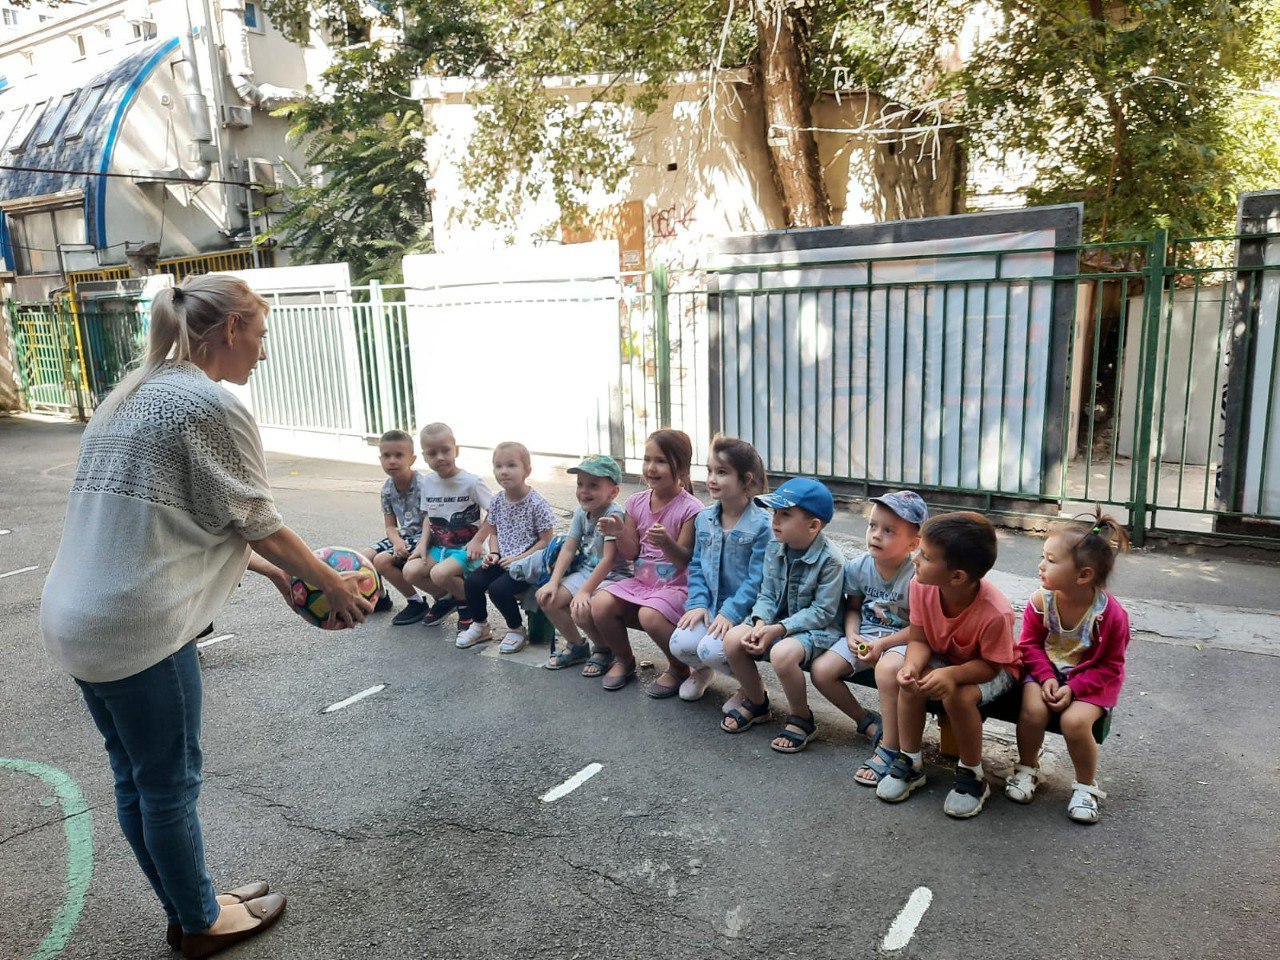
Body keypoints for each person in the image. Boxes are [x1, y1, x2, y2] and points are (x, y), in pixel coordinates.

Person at [40, 275, 372, 959]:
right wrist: (331, 585)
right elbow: (258, 519)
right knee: (167, 785)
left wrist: (280, 576)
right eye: (262, 333)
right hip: (139, 630)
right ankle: (199, 924)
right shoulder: (205, 404)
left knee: (135, 778)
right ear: (229, 330)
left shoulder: (130, 394)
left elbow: (185, 521)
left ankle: (189, 905)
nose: (264, 352)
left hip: (79, 620)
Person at [875, 511, 1020, 819]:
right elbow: (919, 638)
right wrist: (912, 666)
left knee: (959, 696)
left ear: (957, 576)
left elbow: (992, 666)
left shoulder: (995, 613)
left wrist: (952, 674)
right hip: (947, 658)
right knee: (911, 684)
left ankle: (972, 775)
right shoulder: (921, 585)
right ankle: (910, 761)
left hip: (994, 667)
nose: (915, 558)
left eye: (925, 556)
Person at [1007, 509, 1131, 824]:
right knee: (1033, 712)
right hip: (1045, 669)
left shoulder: (1112, 616)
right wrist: (1047, 677)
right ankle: (1027, 768)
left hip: (1090, 680)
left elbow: (1111, 666)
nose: (1041, 565)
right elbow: (1029, 646)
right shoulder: (1041, 601)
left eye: (1051, 560)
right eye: (1042, 556)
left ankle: (1086, 786)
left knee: (1074, 723)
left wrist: (1073, 687)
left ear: (1083, 575)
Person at [810, 491, 927, 785]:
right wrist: (851, 634)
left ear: (913, 544)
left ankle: (891, 745)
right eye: (872, 526)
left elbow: (919, 627)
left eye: (889, 531)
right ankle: (865, 721)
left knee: (888, 673)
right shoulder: (859, 566)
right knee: (822, 672)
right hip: (866, 636)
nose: (876, 535)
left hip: (901, 642)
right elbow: (852, 607)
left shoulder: (916, 577)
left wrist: (883, 645)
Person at [721, 478, 845, 753]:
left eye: (785, 514)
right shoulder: (775, 547)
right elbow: (766, 594)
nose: (775, 520)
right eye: (774, 513)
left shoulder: (831, 561)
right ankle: (757, 702)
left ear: (813, 526)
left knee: (782, 654)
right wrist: (760, 623)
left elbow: (822, 612)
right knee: (733, 640)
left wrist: (777, 630)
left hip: (817, 630)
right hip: (776, 623)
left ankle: (802, 718)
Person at [589, 429, 702, 693]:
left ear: (682, 468)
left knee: (649, 616)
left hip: (676, 586)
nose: (651, 468)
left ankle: (678, 668)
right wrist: (619, 533)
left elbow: (685, 560)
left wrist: (667, 544)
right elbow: (630, 553)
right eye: (647, 459)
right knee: (601, 603)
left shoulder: (691, 509)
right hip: (643, 583)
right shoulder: (635, 502)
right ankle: (624, 659)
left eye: (661, 461)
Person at [668, 436, 770, 702]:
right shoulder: (705, 518)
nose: (712, 479)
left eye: (722, 472)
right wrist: (698, 603)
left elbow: (758, 579)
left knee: (713, 650)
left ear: (746, 479)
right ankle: (703, 673)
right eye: (710, 470)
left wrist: (731, 611)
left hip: (745, 611)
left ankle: (751, 686)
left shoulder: (762, 525)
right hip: (712, 603)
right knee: (680, 643)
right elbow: (697, 566)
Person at [535, 455, 633, 671]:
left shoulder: (613, 514)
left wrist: (584, 592)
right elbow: (569, 547)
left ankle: (603, 648)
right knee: (548, 599)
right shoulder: (581, 512)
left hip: (614, 576)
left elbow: (608, 560)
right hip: (588, 570)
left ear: (613, 492)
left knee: (582, 608)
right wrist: (553, 581)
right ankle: (577, 646)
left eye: (593, 485)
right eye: (580, 484)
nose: (584, 491)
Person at [457, 441, 556, 653]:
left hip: (529, 563)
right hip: (503, 559)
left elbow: (546, 541)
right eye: (498, 466)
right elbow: (493, 530)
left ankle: (516, 629)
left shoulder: (537, 503)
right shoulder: (497, 500)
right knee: (473, 582)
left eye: (511, 465)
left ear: (526, 470)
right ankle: (480, 625)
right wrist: (493, 552)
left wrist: (521, 557)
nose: (504, 471)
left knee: (498, 589)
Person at [402, 422, 492, 631]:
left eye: (445, 450)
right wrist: (422, 545)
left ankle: (468, 604)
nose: (440, 457)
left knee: (439, 574)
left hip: (465, 550)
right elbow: (429, 517)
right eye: (432, 453)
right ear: (424, 457)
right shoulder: (427, 482)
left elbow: (495, 511)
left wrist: (478, 540)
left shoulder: (471, 482)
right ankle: (448, 599)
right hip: (439, 548)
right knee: (410, 571)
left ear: (456, 450)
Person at [359, 429, 427, 622]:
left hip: (424, 536)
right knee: (363, 558)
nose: (392, 461)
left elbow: (431, 522)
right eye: (386, 456)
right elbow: (390, 526)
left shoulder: (423, 485)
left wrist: (405, 544)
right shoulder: (387, 489)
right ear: (380, 458)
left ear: (412, 459)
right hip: (404, 536)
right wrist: (397, 541)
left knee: (381, 560)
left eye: (399, 455)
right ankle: (379, 598)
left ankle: (416, 602)